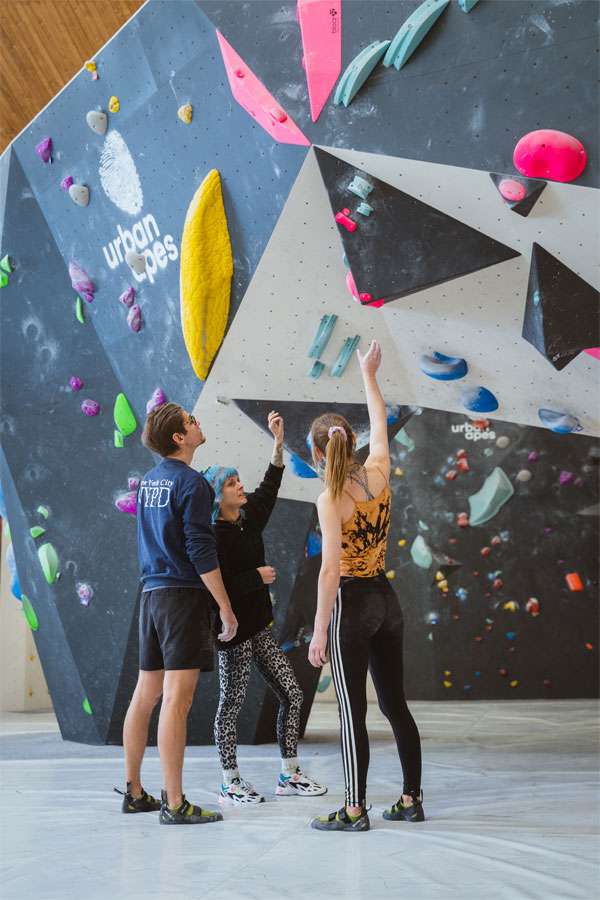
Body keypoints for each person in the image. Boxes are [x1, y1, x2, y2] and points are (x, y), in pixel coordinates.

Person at [307, 340, 424, 832]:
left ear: (317, 452)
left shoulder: (330, 499)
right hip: (387, 599)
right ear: (350, 443)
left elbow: (330, 571)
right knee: (395, 704)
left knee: (352, 710)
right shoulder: (378, 472)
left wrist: (317, 633)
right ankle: (411, 799)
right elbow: (381, 426)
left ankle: (354, 810)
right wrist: (369, 376)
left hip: (353, 605)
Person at [115, 402, 238, 825]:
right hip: (182, 598)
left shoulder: (150, 482)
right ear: (179, 438)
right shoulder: (194, 484)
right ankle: (174, 802)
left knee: (145, 693)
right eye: (190, 421)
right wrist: (225, 607)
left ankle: (134, 792)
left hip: (151, 596)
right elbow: (201, 552)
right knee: (177, 699)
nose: (197, 422)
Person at [203, 411, 327, 805]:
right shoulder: (215, 536)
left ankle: (289, 774)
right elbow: (215, 587)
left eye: (240, 482)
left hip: (260, 628)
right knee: (231, 705)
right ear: (218, 495)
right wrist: (257, 577)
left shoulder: (247, 518)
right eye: (232, 484)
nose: (241, 488)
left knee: (291, 693)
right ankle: (230, 780)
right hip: (234, 633)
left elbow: (269, 487)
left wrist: (277, 445)